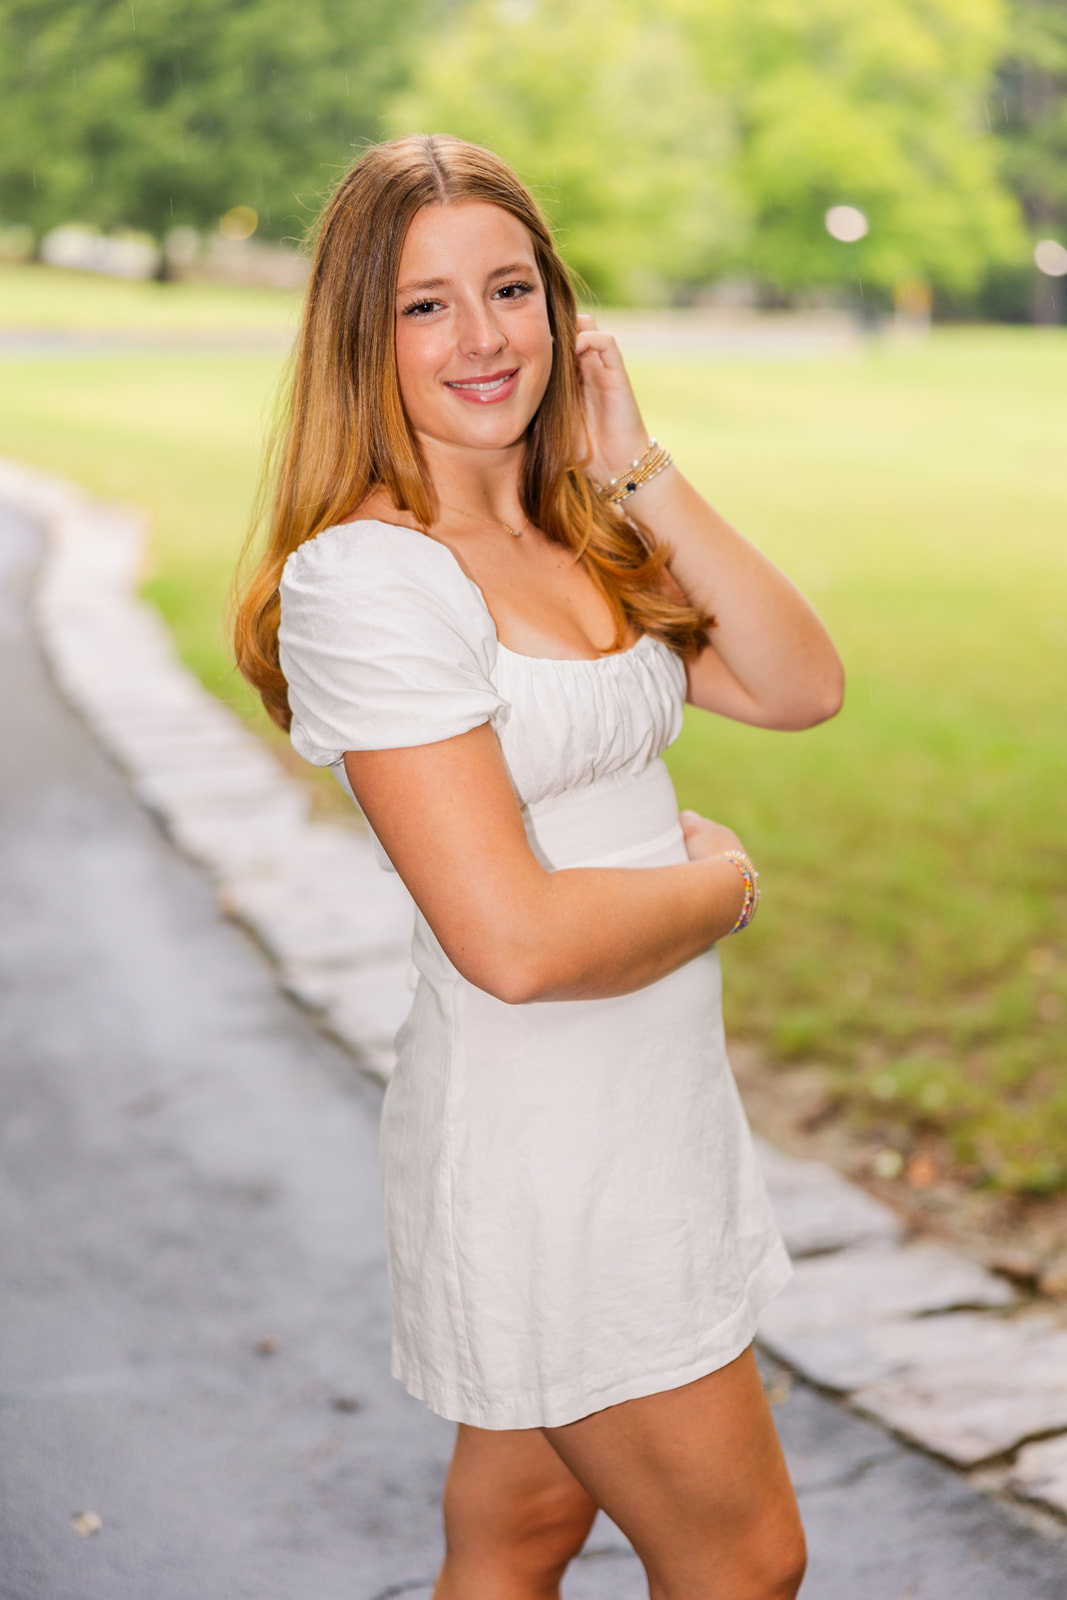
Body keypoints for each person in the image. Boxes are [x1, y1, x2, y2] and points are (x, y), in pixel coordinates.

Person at [234, 133, 844, 1600]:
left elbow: (796, 681)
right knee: (748, 1561)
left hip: (654, 1101)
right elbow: (507, 936)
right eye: (427, 305)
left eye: (511, 288)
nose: (486, 336)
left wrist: (635, 464)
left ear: (563, 311)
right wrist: (722, 888)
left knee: (518, 1530)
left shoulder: (572, 524)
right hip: (544, 1141)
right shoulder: (369, 580)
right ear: (360, 338)